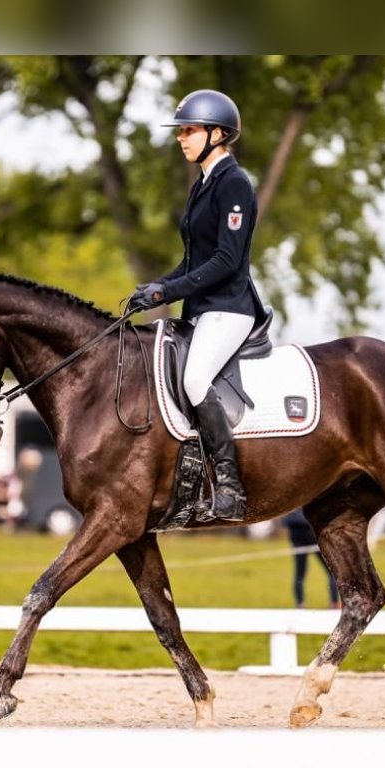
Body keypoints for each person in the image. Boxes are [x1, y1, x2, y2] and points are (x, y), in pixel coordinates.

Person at [127, 88, 266, 523]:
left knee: (194, 379)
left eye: (189, 130)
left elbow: (226, 261)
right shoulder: (202, 186)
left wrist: (167, 295)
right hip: (201, 310)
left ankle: (229, 485)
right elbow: (191, 262)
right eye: (181, 131)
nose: (180, 138)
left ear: (218, 134)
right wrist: (155, 286)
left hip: (229, 308)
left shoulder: (235, 184)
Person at [283, 509, 340, 609]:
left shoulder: (292, 504)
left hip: (298, 533)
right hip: (311, 532)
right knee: (331, 571)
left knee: (300, 573)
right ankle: (334, 603)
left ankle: (300, 604)